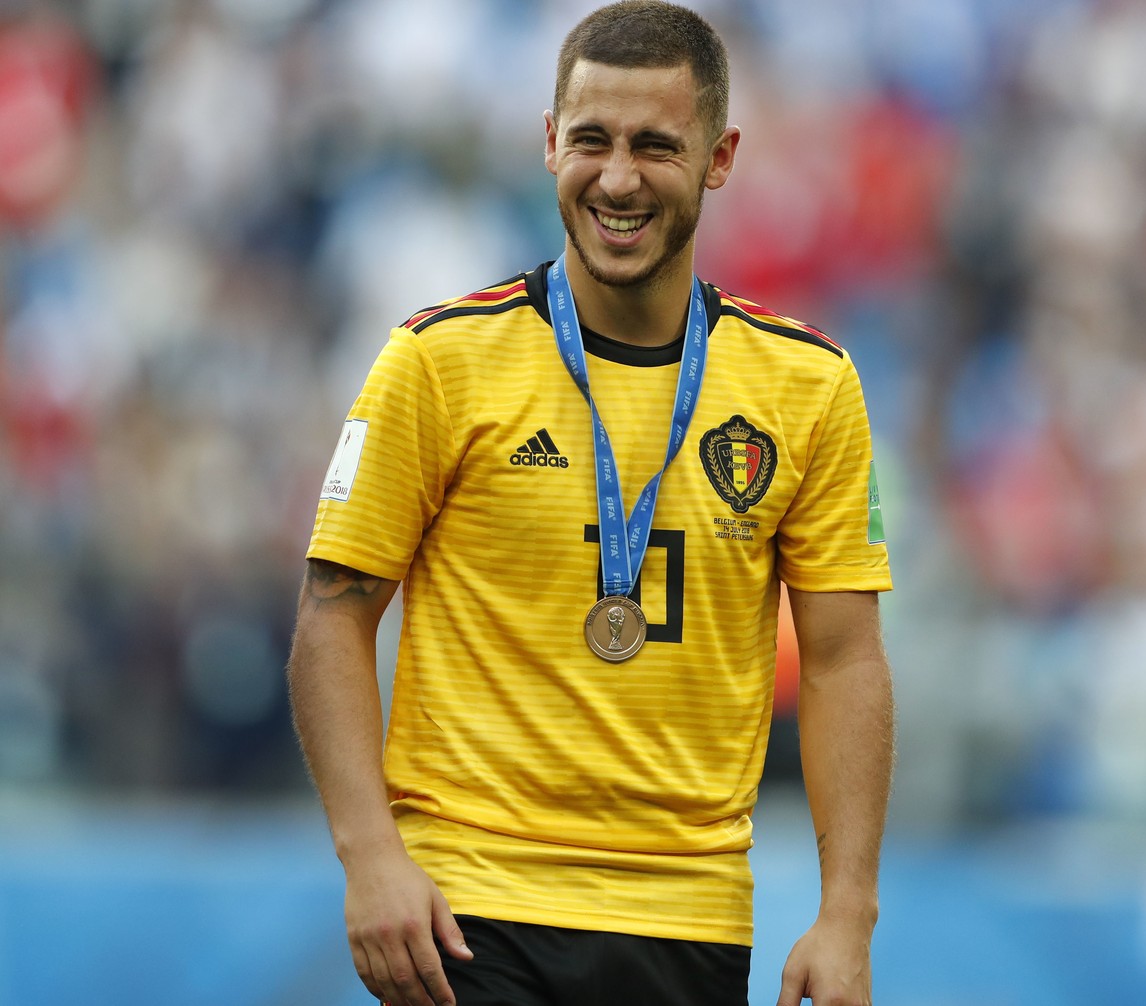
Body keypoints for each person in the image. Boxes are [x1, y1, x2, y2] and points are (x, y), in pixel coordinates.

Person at [286, 3, 895, 1005]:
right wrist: (369, 856)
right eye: (591, 141)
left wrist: (847, 913)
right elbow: (332, 617)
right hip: (468, 911)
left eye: (656, 145)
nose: (617, 179)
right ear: (547, 142)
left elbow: (842, 659)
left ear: (721, 155)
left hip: (690, 918)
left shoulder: (809, 385)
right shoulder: (438, 362)